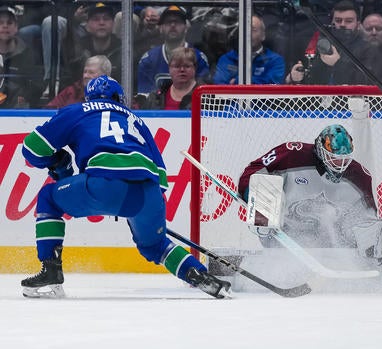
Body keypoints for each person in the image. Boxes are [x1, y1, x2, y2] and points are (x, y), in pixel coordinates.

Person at [20, 75, 230, 299]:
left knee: (48, 197)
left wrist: (57, 160)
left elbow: (31, 149)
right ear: (119, 98)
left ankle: (50, 270)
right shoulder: (135, 120)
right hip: (148, 193)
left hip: (104, 184)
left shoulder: (77, 110)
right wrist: (145, 212)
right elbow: (160, 174)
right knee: (155, 245)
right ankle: (200, 275)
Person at [237, 124, 382, 270]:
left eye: (344, 159)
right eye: (334, 158)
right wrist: (257, 200)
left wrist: (378, 239)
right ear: (321, 150)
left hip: (330, 245)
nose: (340, 164)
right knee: (265, 184)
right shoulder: (292, 154)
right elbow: (252, 172)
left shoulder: (360, 176)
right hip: (282, 237)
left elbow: (366, 220)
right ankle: (272, 242)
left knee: (372, 227)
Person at [285, 1, 375, 85]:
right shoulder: (321, 44)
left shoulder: (368, 49)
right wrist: (293, 77)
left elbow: (366, 82)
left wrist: (337, 63)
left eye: (349, 21)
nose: (343, 24)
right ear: (332, 22)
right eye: (338, 20)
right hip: (319, 99)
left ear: (358, 25)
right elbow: (311, 81)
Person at [137, 5, 210, 95]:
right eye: (168, 22)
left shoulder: (199, 58)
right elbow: (144, 98)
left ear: (186, 27)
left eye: (178, 22)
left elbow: (204, 96)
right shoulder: (148, 59)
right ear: (160, 28)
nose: (172, 25)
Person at [213, 14, 285, 85]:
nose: (247, 34)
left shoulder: (275, 60)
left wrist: (237, 81)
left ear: (263, 35)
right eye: (243, 30)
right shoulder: (227, 59)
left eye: (253, 30)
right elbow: (219, 87)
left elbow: (273, 86)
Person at [65, 3, 121, 83]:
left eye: (106, 19)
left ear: (113, 23)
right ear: (87, 25)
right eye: (96, 19)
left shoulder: (122, 48)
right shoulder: (80, 49)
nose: (101, 23)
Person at [0, 5, 42, 108]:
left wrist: (24, 95)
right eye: (0, 23)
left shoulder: (28, 53)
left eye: (9, 23)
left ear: (16, 27)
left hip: (17, 109)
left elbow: (37, 85)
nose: (5, 26)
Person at [45, 55, 111, 109]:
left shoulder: (114, 95)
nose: (85, 76)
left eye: (91, 72)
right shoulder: (71, 91)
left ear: (104, 76)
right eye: (85, 72)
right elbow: (48, 111)